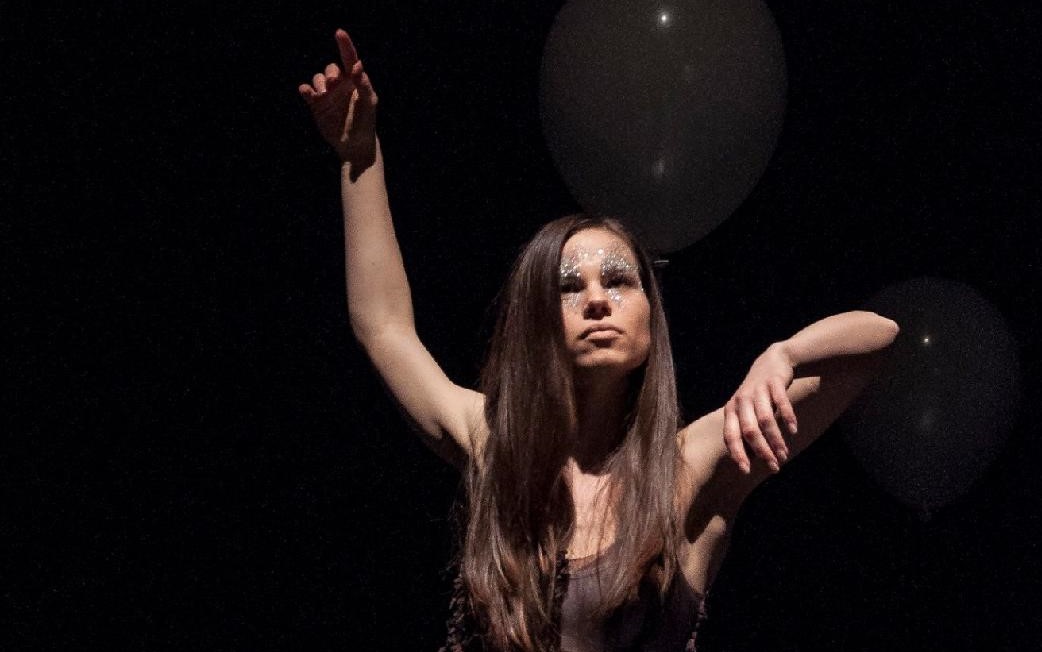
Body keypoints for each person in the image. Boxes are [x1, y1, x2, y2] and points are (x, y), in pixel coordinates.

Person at [298, 29, 900, 652]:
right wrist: (359, 157)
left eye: (618, 280)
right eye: (567, 286)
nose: (595, 299)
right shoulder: (496, 443)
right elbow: (384, 327)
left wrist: (786, 354)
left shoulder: (689, 465)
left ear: (650, 317)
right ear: (538, 321)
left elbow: (879, 339)